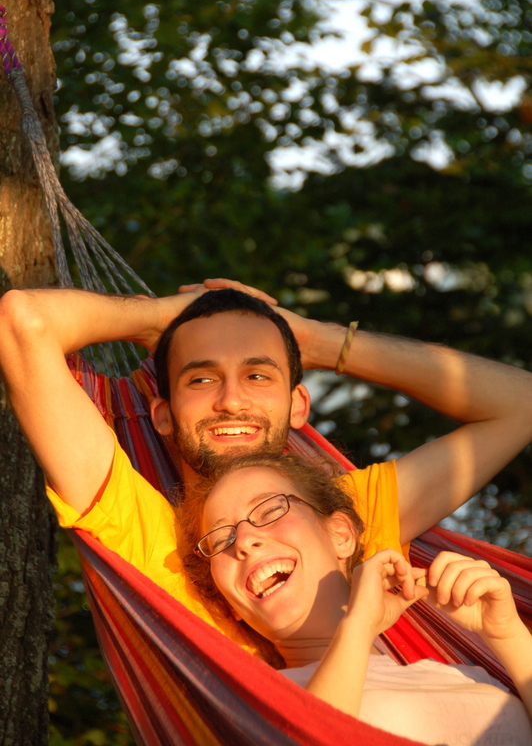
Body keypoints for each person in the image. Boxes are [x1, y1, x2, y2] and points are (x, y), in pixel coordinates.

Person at [1, 279, 532, 657]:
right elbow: (21, 322)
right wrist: (163, 319)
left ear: (299, 405)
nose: (232, 401)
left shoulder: (345, 512)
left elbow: (522, 403)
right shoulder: (144, 535)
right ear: (160, 413)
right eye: (201, 379)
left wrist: (319, 342)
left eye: (258, 376)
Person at [181, 451, 532, 745]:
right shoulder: (248, 705)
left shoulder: (469, 677)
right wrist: (358, 624)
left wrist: (507, 634)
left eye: (271, 510)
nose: (243, 540)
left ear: (341, 535)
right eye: (221, 540)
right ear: (231, 606)